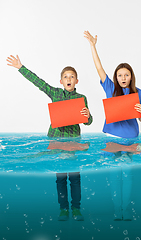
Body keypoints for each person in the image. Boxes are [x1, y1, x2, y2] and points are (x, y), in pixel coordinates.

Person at [7, 55, 93, 221]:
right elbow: (39, 83)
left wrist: (88, 116)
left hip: (73, 141)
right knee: (60, 178)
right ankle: (63, 209)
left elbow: (88, 121)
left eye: (72, 77)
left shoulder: (81, 98)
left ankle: (76, 208)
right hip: (55, 141)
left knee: (75, 178)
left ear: (77, 81)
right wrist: (20, 67)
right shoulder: (55, 93)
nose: (69, 79)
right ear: (61, 81)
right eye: (66, 77)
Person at [84, 31, 141, 221]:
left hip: (131, 139)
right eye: (120, 75)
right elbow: (99, 68)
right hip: (111, 138)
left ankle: (124, 209)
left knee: (126, 175)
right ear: (116, 77)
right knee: (113, 175)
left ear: (131, 76)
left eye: (126, 74)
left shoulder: (138, 92)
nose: (123, 77)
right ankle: (116, 209)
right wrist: (93, 45)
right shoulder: (111, 88)